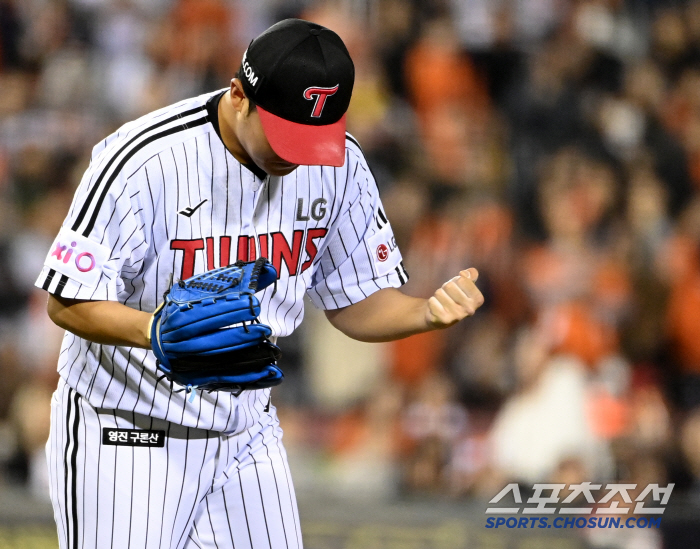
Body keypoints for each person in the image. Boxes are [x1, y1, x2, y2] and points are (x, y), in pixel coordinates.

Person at [36, 19, 484, 549]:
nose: (296, 155)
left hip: (247, 432)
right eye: (285, 133)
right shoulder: (144, 161)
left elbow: (355, 301)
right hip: (128, 429)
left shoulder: (340, 166)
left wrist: (423, 313)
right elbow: (66, 300)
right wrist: (151, 330)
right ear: (238, 95)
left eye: (313, 139)